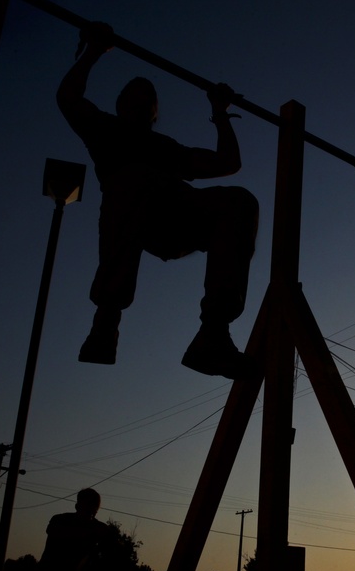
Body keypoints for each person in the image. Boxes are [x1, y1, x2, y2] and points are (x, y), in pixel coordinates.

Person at [57, 22, 260, 379]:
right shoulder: (106, 131)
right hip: (133, 219)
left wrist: (220, 113)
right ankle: (106, 321)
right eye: (131, 100)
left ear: (154, 113)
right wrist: (93, 51)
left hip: (178, 220)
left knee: (239, 201)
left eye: (146, 102)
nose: (139, 105)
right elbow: (69, 99)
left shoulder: (167, 149)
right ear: (119, 107)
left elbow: (229, 163)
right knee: (136, 179)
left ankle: (213, 333)